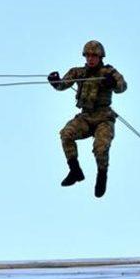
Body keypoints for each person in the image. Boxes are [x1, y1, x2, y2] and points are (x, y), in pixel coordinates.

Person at [47, 40, 127, 198]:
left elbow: (122, 86)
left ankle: (102, 176)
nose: (90, 59)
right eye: (88, 55)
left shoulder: (108, 71)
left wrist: (113, 83)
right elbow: (63, 84)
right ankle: (75, 171)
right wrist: (55, 82)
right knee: (66, 134)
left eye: (94, 56)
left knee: (101, 147)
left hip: (104, 117)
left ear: (100, 57)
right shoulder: (78, 72)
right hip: (85, 116)